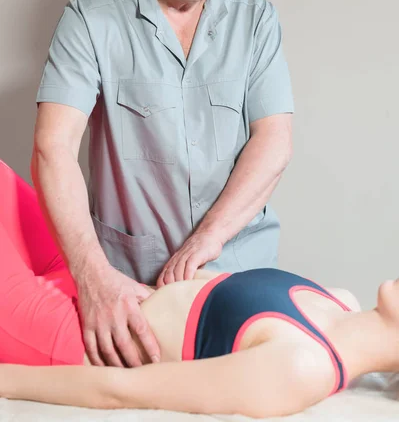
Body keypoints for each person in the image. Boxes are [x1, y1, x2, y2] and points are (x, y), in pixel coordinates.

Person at [31, 0, 294, 368]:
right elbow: (52, 148)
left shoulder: (256, 18)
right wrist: (91, 277)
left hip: (238, 268)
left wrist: (208, 239)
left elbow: (274, 142)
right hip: (130, 286)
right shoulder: (89, 21)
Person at [1, 159, 399, 419]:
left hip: (71, 337)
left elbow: (122, 391)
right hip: (101, 292)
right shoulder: (340, 300)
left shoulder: (304, 369)